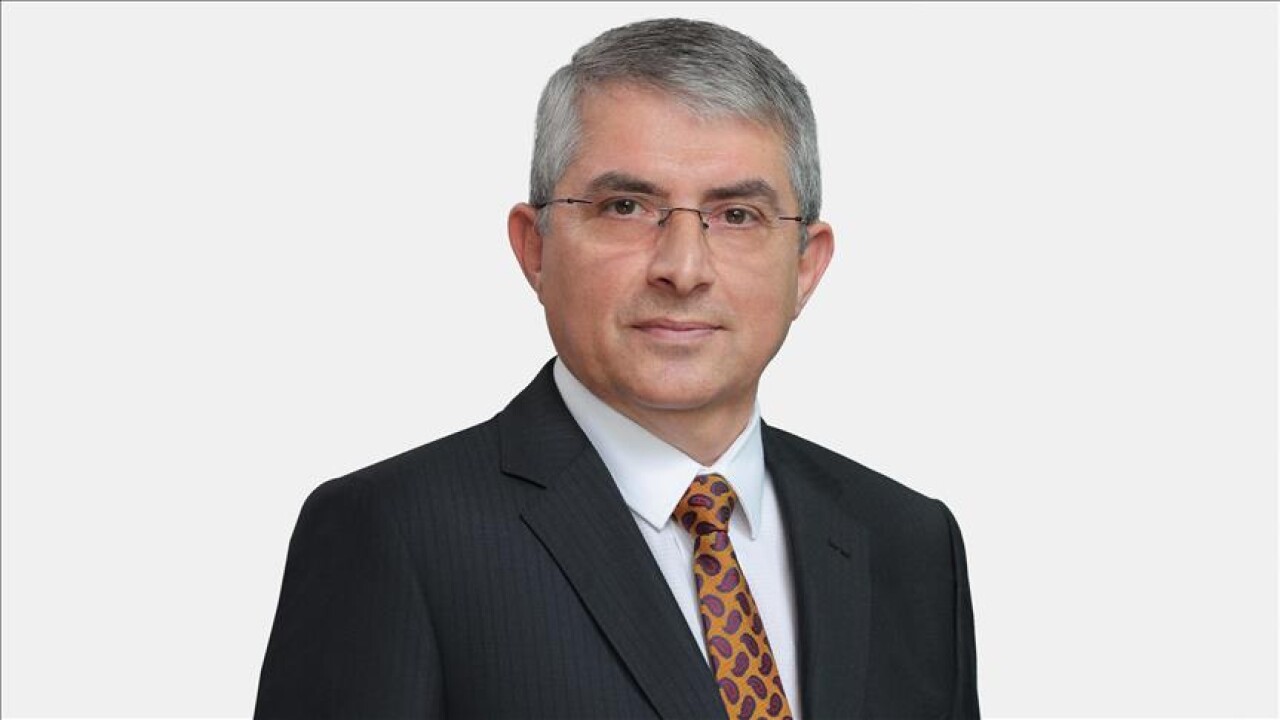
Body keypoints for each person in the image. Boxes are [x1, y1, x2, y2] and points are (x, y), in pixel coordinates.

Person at [255, 17, 979, 720]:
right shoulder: (395, 533)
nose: (684, 269)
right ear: (535, 248)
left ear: (807, 266)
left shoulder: (910, 542)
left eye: (736, 215)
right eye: (626, 206)